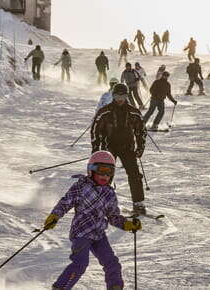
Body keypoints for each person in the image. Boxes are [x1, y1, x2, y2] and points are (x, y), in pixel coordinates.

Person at [44, 151, 142, 290]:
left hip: (98, 234)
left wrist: (127, 224)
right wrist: (54, 216)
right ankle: (60, 287)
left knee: (112, 263)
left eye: (109, 172)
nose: (105, 176)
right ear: (91, 170)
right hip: (81, 233)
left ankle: (115, 287)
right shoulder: (81, 187)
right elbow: (65, 203)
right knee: (80, 264)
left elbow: (113, 216)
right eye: (102, 171)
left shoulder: (109, 193)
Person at [91, 84, 148, 215]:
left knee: (134, 175)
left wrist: (140, 147)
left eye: (123, 96)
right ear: (113, 96)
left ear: (127, 96)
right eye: (117, 96)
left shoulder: (133, 111)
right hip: (109, 147)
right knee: (104, 174)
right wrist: (96, 149)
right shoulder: (105, 111)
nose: (120, 99)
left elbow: (141, 130)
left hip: (127, 148)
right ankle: (101, 202)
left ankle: (138, 203)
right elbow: (95, 130)